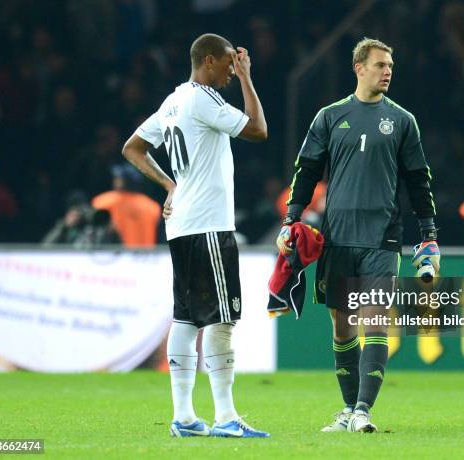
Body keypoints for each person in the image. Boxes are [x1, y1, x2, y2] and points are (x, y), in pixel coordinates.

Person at [277, 38, 439, 433]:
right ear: (359, 67)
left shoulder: (402, 120)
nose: (388, 71)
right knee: (342, 325)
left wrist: (429, 233)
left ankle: (364, 410)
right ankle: (349, 410)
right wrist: (290, 218)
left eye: (391, 66)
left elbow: (419, 181)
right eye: (381, 64)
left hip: (382, 238)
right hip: (337, 238)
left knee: (375, 320)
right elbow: (307, 171)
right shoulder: (331, 117)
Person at [121, 33, 269, 438]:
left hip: (181, 225)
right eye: (225, 65)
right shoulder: (204, 98)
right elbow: (258, 129)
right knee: (222, 320)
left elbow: (132, 148)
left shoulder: (172, 102)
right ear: (207, 61)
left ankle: (184, 416)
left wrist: (170, 186)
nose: (228, 72)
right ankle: (225, 418)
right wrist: (247, 79)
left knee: (185, 319)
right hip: (208, 224)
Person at [91, 164, 161, 247]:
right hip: (148, 257)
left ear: (122, 181)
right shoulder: (152, 206)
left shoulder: (104, 201)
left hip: (118, 256)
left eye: (118, 178)